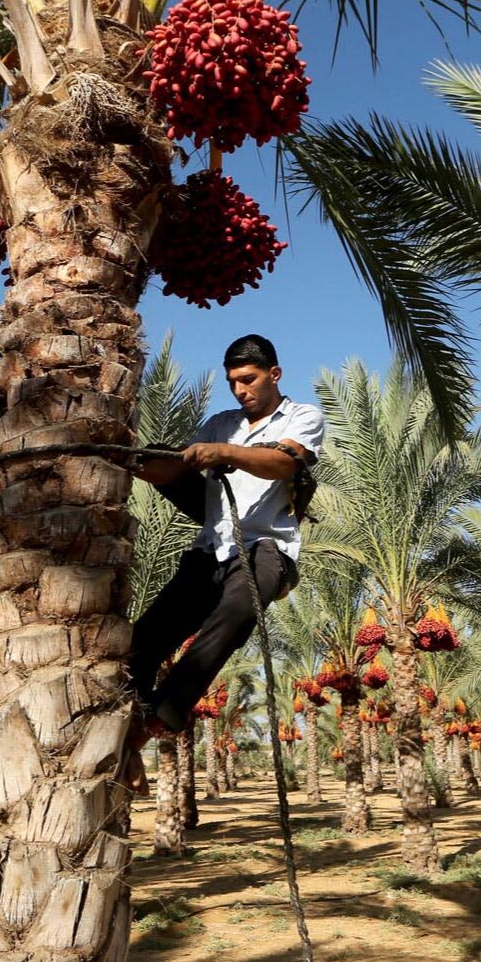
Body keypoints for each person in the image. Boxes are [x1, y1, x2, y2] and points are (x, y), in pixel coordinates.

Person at [123, 334, 324, 791]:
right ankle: (127, 731)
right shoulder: (220, 423)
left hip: (267, 549)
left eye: (249, 379)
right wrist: (133, 460)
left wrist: (226, 453)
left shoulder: (303, 416)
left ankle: (161, 717)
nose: (240, 390)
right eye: (233, 382)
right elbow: (175, 468)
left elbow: (284, 463)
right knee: (146, 638)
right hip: (210, 550)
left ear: (275, 374)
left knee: (235, 616)